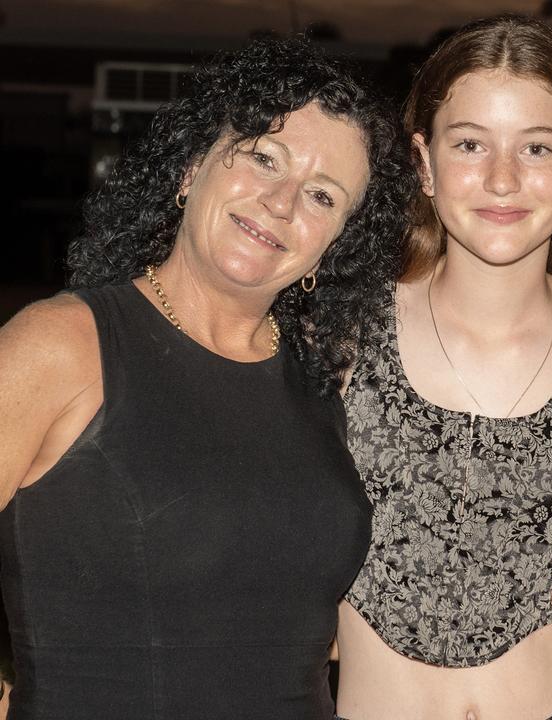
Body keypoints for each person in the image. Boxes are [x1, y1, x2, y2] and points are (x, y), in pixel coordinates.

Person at [0, 37, 415, 719]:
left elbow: (321, 620)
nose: (281, 203)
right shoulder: (65, 345)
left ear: (333, 245)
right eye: (262, 157)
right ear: (192, 167)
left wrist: (551, 610)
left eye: (320, 195)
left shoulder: (325, 382)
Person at [334, 16, 552, 720]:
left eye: (536, 147)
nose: (502, 178)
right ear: (423, 162)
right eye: (470, 143)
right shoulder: (343, 330)